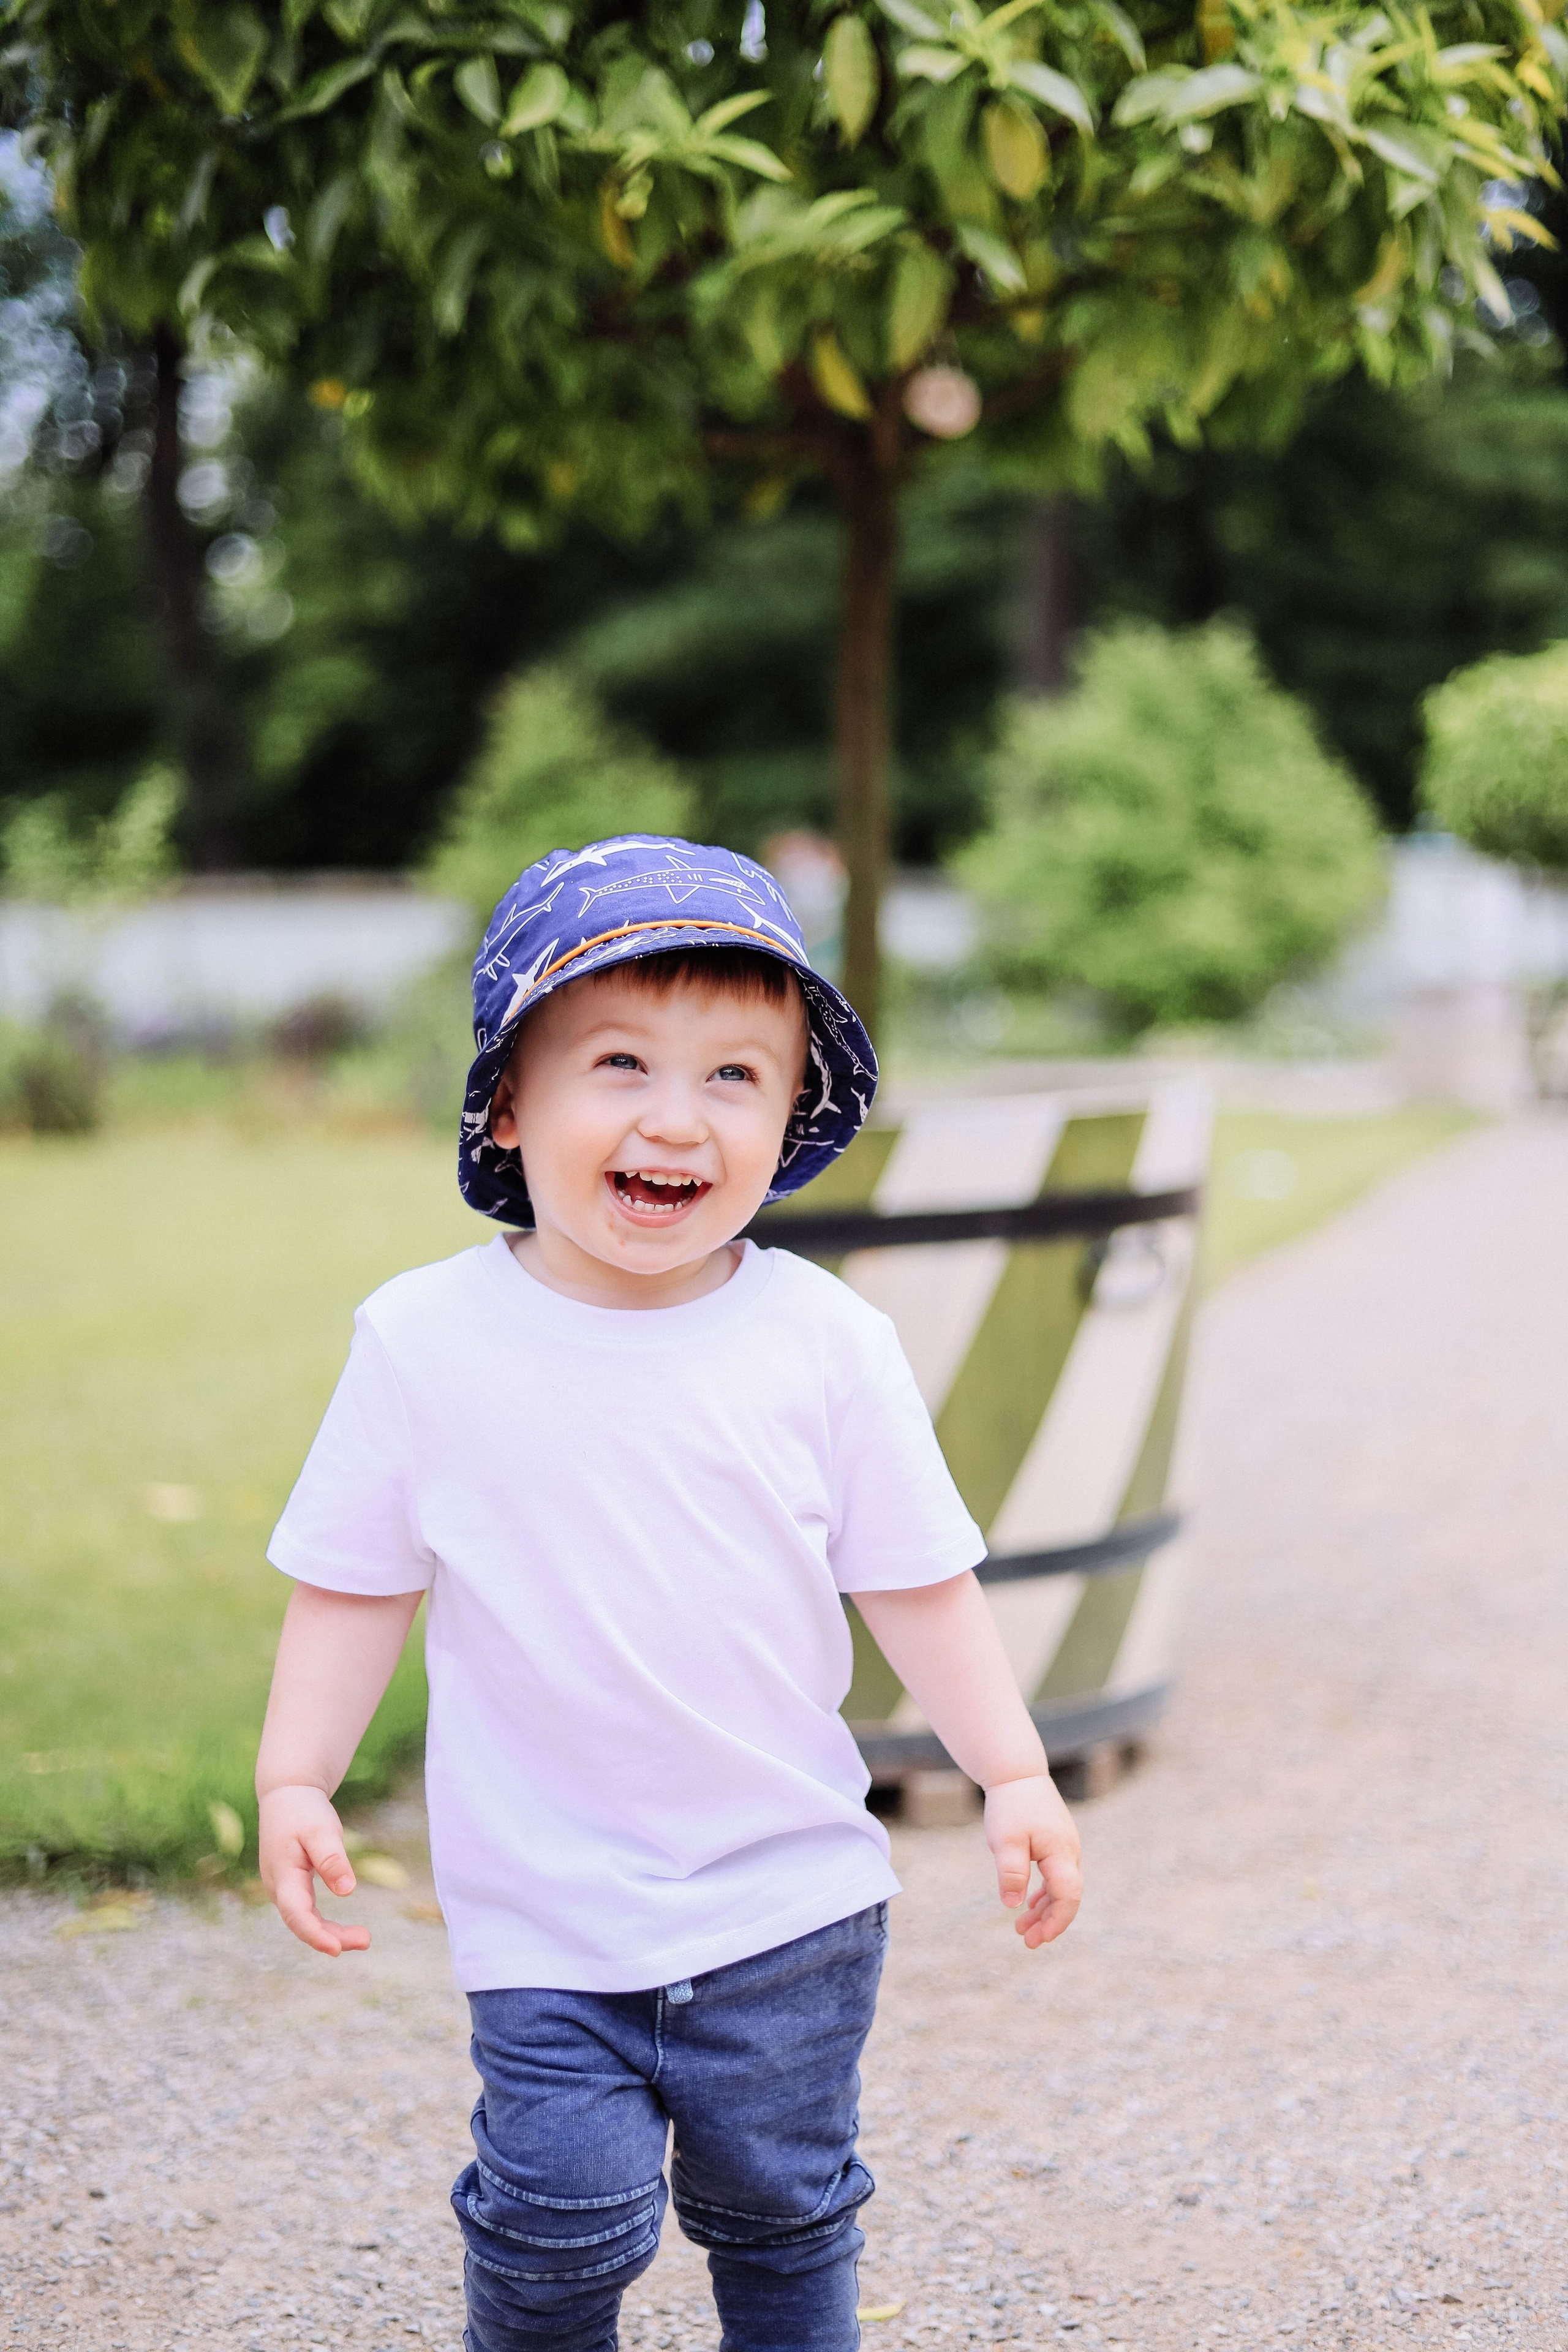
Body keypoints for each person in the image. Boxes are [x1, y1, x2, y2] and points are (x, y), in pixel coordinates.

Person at [256, 835, 1082, 2352]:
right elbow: (354, 1579)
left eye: (732, 1078)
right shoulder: (425, 1342)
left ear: (789, 1115)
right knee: (561, 2215)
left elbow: (919, 1582)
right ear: (509, 1100)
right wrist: (297, 1772)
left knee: (783, 2211)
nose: (674, 1119)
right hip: (546, 1905)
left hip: (786, 1896)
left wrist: (1011, 1770)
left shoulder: (823, 1343)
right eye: (621, 1061)